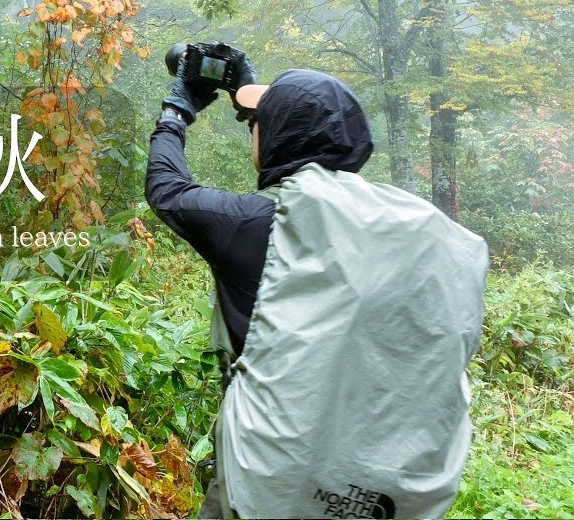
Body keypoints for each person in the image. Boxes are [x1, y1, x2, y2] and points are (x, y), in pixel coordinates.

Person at [145, 53, 488, 519]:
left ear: (274, 136)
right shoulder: (420, 229)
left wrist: (176, 112)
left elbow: (168, 189)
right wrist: (257, 102)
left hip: (272, 480)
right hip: (393, 490)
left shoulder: (258, 225)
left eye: (260, 124)